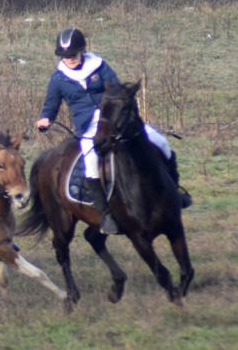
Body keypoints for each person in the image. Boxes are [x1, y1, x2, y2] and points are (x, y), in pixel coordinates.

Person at [36, 27, 191, 235]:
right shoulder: (58, 79)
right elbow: (51, 105)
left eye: (72, 54)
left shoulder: (99, 67)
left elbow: (117, 89)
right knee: (91, 163)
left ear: (82, 50)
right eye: (65, 56)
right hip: (89, 128)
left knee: (162, 142)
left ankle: (175, 191)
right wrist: (46, 118)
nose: (69, 58)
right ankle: (105, 213)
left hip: (114, 120)